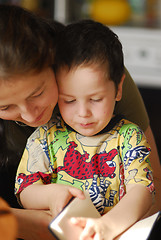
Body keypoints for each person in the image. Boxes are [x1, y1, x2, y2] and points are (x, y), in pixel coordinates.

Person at [0, 4, 160, 240]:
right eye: (5, 107)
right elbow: (26, 188)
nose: (31, 116)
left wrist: (108, 227)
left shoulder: (95, 72)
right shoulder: (46, 137)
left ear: (54, 66)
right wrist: (37, 210)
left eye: (37, 94)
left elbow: (149, 187)